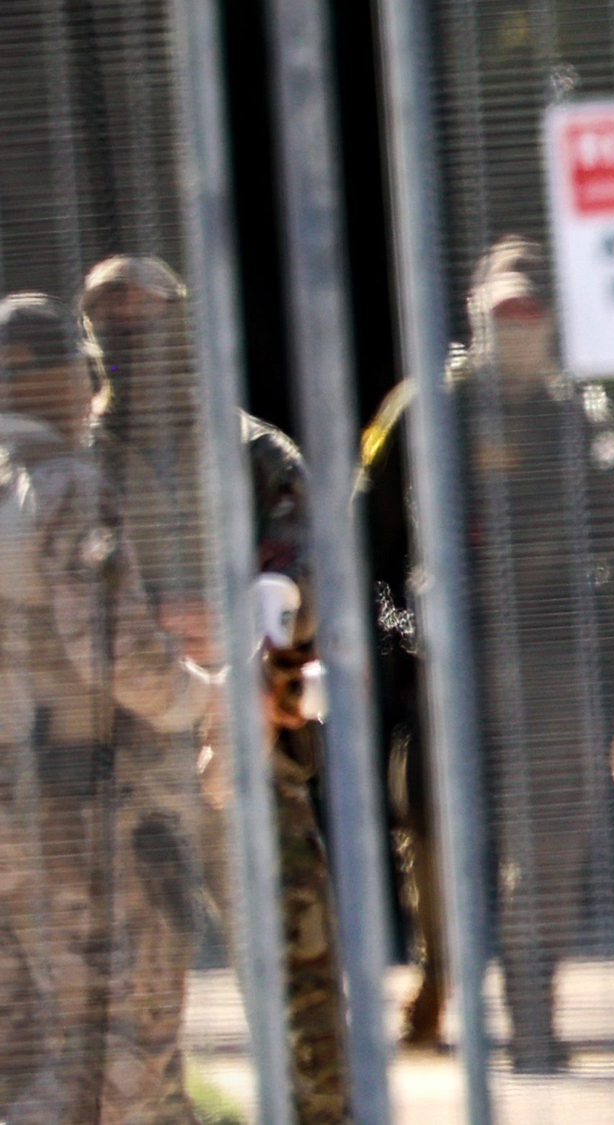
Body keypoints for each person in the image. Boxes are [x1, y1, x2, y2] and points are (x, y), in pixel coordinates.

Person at [360, 235, 614, 1071]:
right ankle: (437, 978)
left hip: (552, 652)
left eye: (531, 310)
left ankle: (532, 1015)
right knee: (433, 832)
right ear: (475, 315)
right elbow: (366, 532)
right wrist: (388, 634)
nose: (518, 325)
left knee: (549, 841)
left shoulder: (581, 414)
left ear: (553, 320)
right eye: (503, 311)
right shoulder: (424, 408)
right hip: (444, 661)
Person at [78, 255, 347, 1124]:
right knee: (133, 1010)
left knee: (295, 981)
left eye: (144, 320)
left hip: (245, 749)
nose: (128, 339)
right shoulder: (72, 462)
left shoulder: (255, 452)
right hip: (121, 768)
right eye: (108, 321)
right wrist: (139, 633)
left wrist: (243, 636)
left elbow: (307, 577)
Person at [0, 292, 220, 1124]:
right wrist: (209, 698)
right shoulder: (67, 489)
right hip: (72, 817)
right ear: (66, 380)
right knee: (120, 1049)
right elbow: (122, 659)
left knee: (21, 1051)